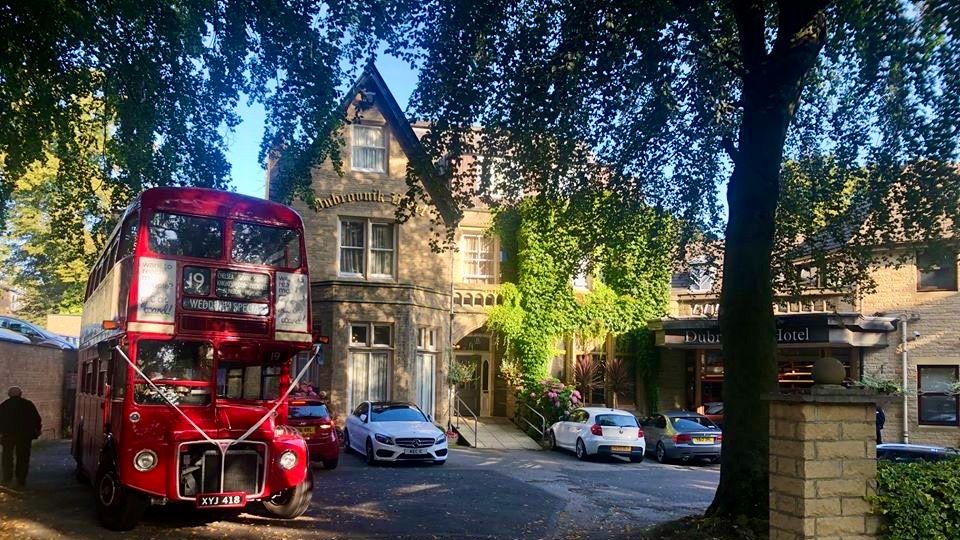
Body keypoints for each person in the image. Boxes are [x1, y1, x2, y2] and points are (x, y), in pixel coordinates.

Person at [0, 386, 42, 490]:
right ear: (21, 394)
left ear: (9, 395)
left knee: (7, 456)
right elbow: (36, 419)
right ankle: (21, 479)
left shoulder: (4, 405)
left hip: (8, 435)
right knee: (23, 457)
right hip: (24, 436)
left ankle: (7, 478)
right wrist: (36, 431)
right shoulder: (28, 405)